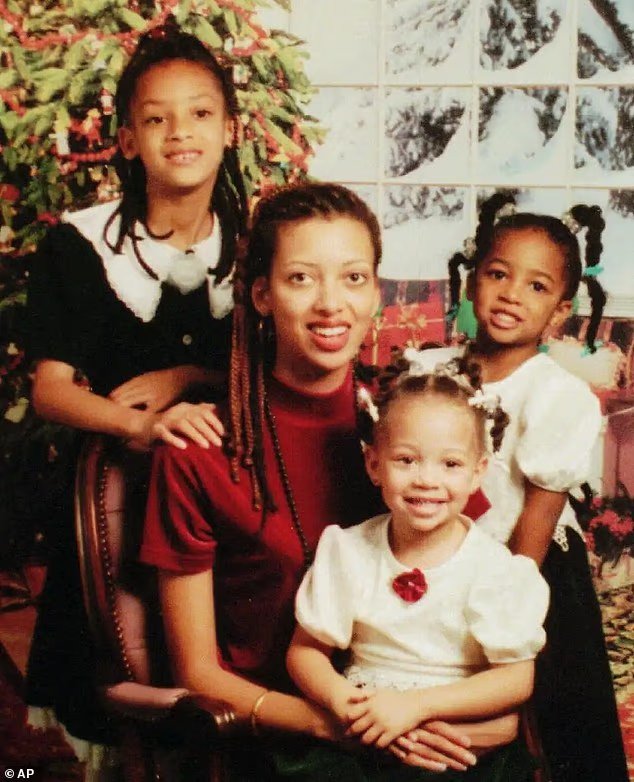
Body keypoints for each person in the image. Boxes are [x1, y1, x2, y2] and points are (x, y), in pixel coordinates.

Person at [140, 182, 518, 780]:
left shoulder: (410, 425)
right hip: (278, 736)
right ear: (262, 295)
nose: (331, 304)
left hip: (420, 719)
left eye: (354, 277)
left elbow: (474, 595)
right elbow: (198, 673)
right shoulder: (200, 451)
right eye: (301, 278)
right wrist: (336, 726)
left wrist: (442, 718)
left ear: (375, 290)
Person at [25, 19, 248, 769]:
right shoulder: (81, 246)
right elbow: (51, 392)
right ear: (126, 140)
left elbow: (274, 373)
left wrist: (190, 380)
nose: (180, 132)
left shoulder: (258, 244)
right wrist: (140, 427)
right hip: (113, 499)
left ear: (230, 130)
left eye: (200, 113)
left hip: (225, 501)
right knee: (115, 698)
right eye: (156, 119)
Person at [408, 191, 629, 782]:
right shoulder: (429, 372)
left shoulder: (555, 394)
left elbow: (535, 518)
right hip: (435, 556)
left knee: (551, 724)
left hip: (526, 567)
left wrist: (508, 604)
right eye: (498, 274)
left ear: (559, 311)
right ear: (471, 283)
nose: (511, 294)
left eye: (536, 286)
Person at [282, 352, 549, 781]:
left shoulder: (494, 569)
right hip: (365, 727)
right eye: (406, 460)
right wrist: (348, 705)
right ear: (374, 464)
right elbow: (305, 651)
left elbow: (515, 679)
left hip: (454, 731)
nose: (426, 479)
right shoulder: (349, 551)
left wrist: (415, 708)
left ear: (478, 472)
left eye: (451, 464)